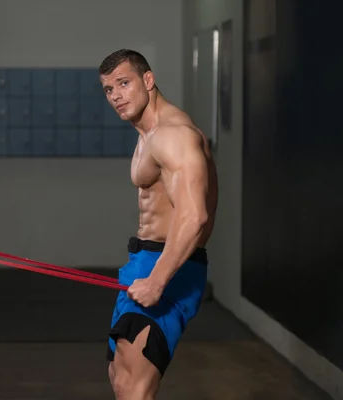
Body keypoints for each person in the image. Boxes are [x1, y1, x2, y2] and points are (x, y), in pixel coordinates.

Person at [99, 49, 219, 399]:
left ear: (148, 80)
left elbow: (195, 215)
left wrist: (158, 278)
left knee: (135, 387)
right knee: (121, 377)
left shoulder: (174, 135)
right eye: (108, 89)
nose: (116, 95)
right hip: (144, 260)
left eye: (124, 83)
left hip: (167, 267)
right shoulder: (147, 134)